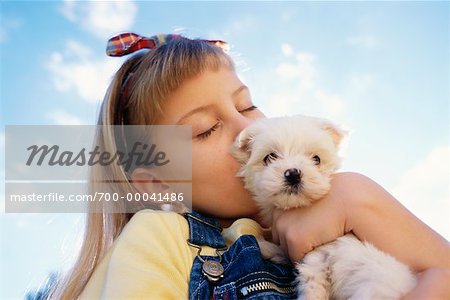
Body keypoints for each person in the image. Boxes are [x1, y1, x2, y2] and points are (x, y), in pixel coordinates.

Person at [49, 33, 450, 299]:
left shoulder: (348, 209)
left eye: (247, 105)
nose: (247, 127)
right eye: (204, 130)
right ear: (157, 184)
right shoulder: (161, 238)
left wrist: (360, 197)